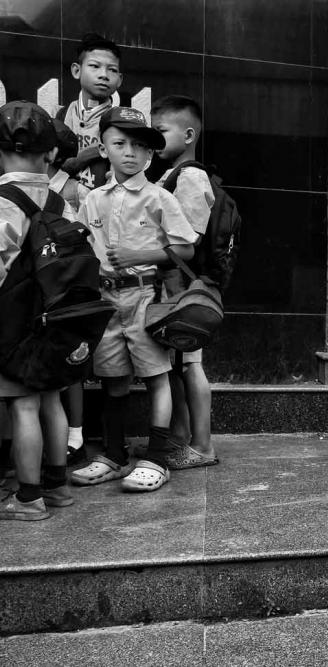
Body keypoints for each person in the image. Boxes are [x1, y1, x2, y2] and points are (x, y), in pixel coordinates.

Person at [69, 106, 196, 493]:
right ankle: (114, 455)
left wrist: (140, 257)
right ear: (103, 148)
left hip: (145, 296)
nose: (130, 153)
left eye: (140, 146)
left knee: (157, 377)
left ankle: (156, 459)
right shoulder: (94, 200)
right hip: (107, 302)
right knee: (113, 380)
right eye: (120, 143)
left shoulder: (158, 197)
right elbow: (85, 248)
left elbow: (185, 249)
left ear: (150, 154)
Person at [0, 101, 73, 520]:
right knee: (52, 400)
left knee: (22, 406)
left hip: (15, 322)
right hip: (56, 319)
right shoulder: (61, 201)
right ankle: (58, 485)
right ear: (48, 152)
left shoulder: (5, 200)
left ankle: (28, 498)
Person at [150, 95, 218, 469]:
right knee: (176, 365)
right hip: (171, 289)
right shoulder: (171, 175)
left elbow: (188, 241)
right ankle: (179, 437)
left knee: (190, 364)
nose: (154, 139)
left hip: (183, 291)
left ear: (188, 134)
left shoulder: (191, 176)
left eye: (161, 131)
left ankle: (203, 446)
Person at [46, 118, 90, 465]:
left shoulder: (74, 191)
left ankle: (76, 432)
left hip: (67, 285)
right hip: (41, 286)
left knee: (72, 362)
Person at [62, 33, 122, 191]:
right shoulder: (62, 115)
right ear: (76, 71)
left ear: (120, 80)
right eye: (95, 66)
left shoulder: (119, 122)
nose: (104, 75)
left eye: (112, 70)